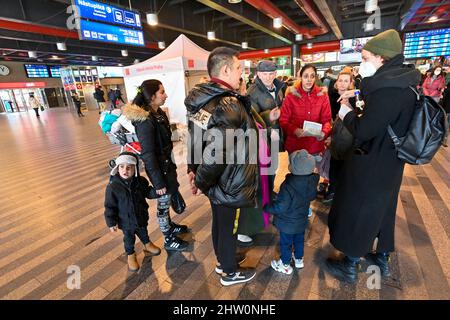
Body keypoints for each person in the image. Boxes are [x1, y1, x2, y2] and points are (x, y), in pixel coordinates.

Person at [325, 29, 422, 283]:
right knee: (384, 208)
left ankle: (350, 262)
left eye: (366, 57)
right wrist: (356, 96)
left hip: (373, 160)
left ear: (382, 58)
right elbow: (379, 113)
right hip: (391, 160)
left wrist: (345, 113)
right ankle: (381, 256)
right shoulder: (402, 81)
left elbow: (366, 129)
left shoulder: (389, 90)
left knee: (361, 208)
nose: (362, 63)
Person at [185, 47, 258, 286]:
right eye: (239, 68)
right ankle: (229, 272)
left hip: (216, 180)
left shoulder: (202, 98)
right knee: (229, 226)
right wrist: (199, 180)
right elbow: (218, 153)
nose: (242, 73)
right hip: (229, 180)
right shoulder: (228, 103)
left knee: (221, 221)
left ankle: (222, 260)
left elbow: (194, 137)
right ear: (225, 69)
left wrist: (193, 169)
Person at [123, 80, 189, 252]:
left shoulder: (158, 112)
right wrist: (158, 183)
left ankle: (170, 225)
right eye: (162, 92)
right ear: (152, 97)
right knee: (163, 201)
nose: (165, 95)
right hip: (159, 169)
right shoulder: (145, 120)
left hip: (167, 164)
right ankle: (168, 237)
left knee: (169, 195)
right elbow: (148, 154)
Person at [241, 60, 285, 246]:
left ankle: (267, 206)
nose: (269, 76)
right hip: (261, 143)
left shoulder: (279, 86)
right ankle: (259, 214)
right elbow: (253, 121)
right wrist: (270, 117)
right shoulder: (252, 93)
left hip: (274, 138)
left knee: (271, 173)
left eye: (272, 73)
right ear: (258, 74)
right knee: (261, 178)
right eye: (265, 73)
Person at [280, 64, 332, 198]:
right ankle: (296, 201)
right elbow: (284, 121)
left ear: (316, 77)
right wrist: (295, 130)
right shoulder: (291, 96)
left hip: (314, 143)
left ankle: (306, 202)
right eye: (306, 76)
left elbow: (327, 120)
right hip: (295, 144)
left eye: (312, 76)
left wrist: (324, 132)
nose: (309, 79)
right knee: (296, 176)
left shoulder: (322, 96)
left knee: (311, 177)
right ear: (300, 77)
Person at [264, 149, 320, 274]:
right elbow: (311, 197)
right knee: (299, 239)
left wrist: (267, 207)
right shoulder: (312, 181)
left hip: (287, 223)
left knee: (286, 243)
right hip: (301, 220)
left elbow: (281, 207)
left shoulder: (288, 185)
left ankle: (284, 264)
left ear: (293, 167)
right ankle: (299, 259)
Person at [104, 152, 161, 272]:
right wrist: (111, 222)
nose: (125, 170)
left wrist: (157, 192)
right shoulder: (113, 187)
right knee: (129, 239)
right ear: (117, 168)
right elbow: (110, 206)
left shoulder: (140, 182)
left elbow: (148, 192)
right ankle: (130, 254)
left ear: (135, 169)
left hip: (141, 216)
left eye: (129, 167)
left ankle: (147, 243)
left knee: (143, 232)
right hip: (126, 221)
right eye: (121, 166)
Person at [324, 70, 356, 204]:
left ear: (350, 84)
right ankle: (332, 189)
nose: (342, 83)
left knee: (345, 167)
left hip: (348, 138)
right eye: (340, 80)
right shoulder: (330, 97)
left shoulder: (355, 98)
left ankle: (341, 193)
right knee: (333, 165)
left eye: (346, 81)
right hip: (334, 136)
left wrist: (349, 106)